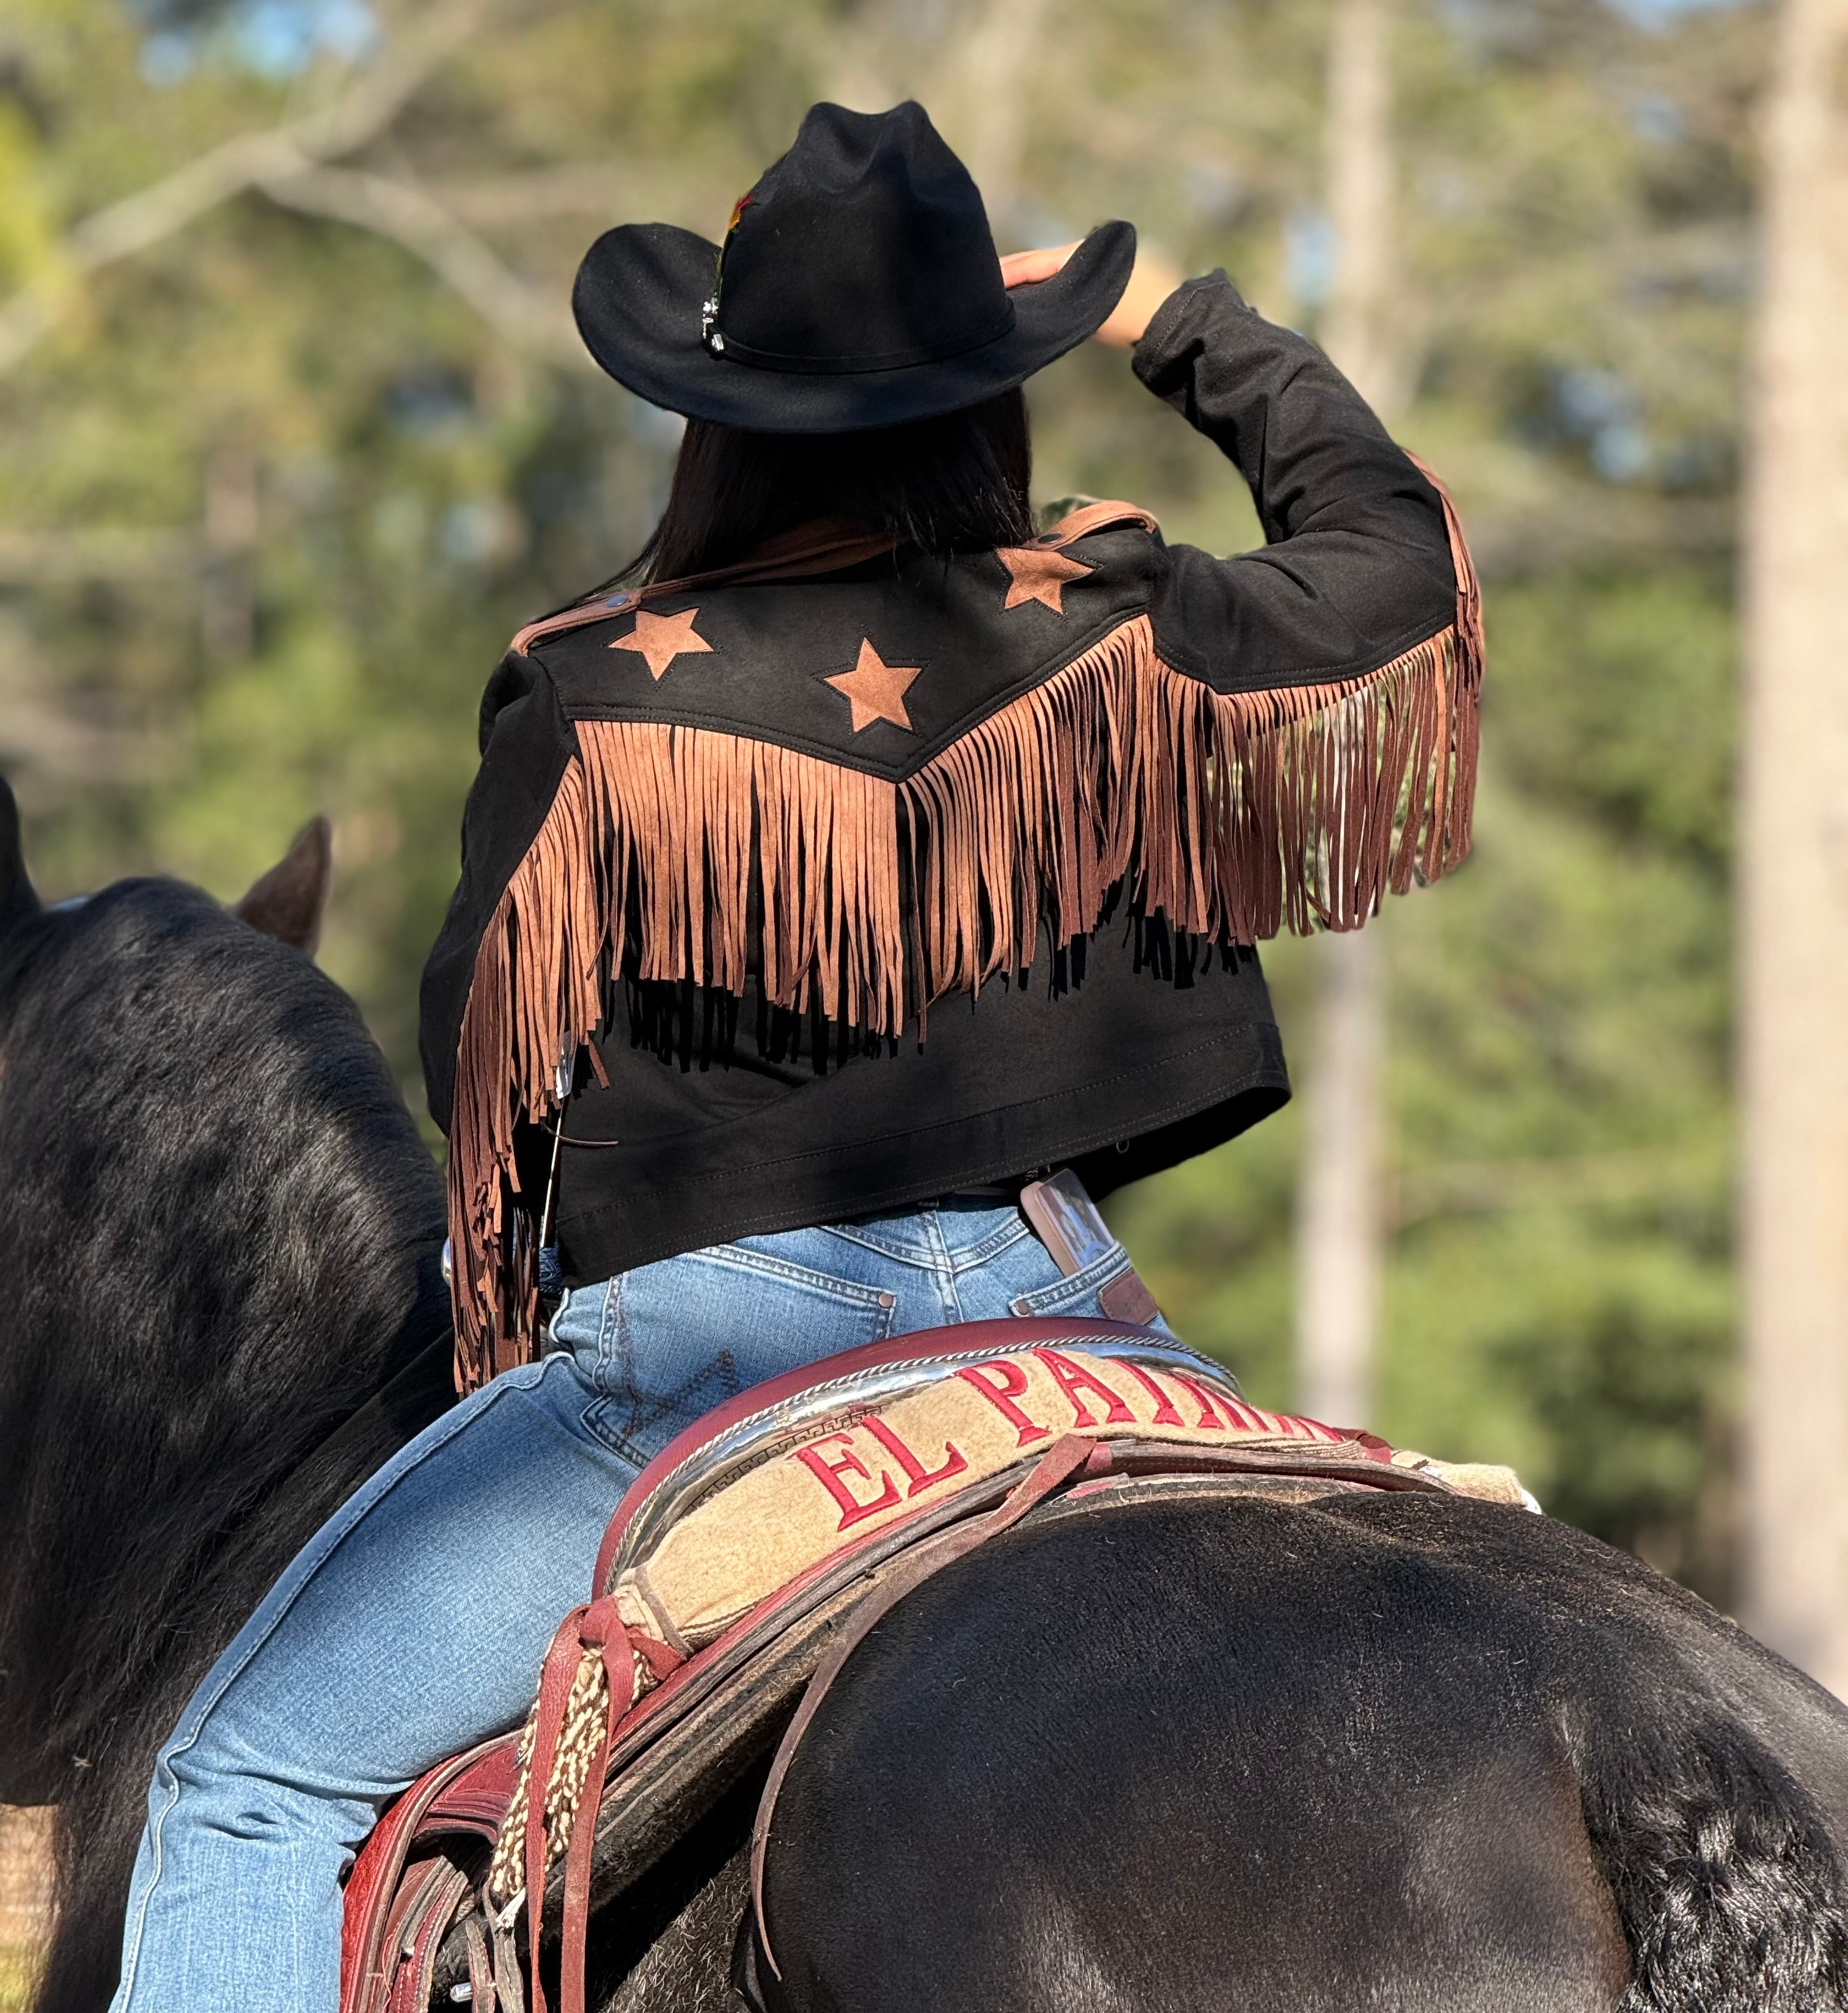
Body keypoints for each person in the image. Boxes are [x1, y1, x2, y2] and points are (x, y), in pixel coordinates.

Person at [108, 99, 1479, 2013]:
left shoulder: (593, 695)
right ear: (990, 387)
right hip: (1066, 1313)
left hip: (700, 1362)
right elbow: (1395, 561)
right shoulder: (1118, 623)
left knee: (243, 1785)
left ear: (714, 415)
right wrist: (1177, 318)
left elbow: (490, 1090)